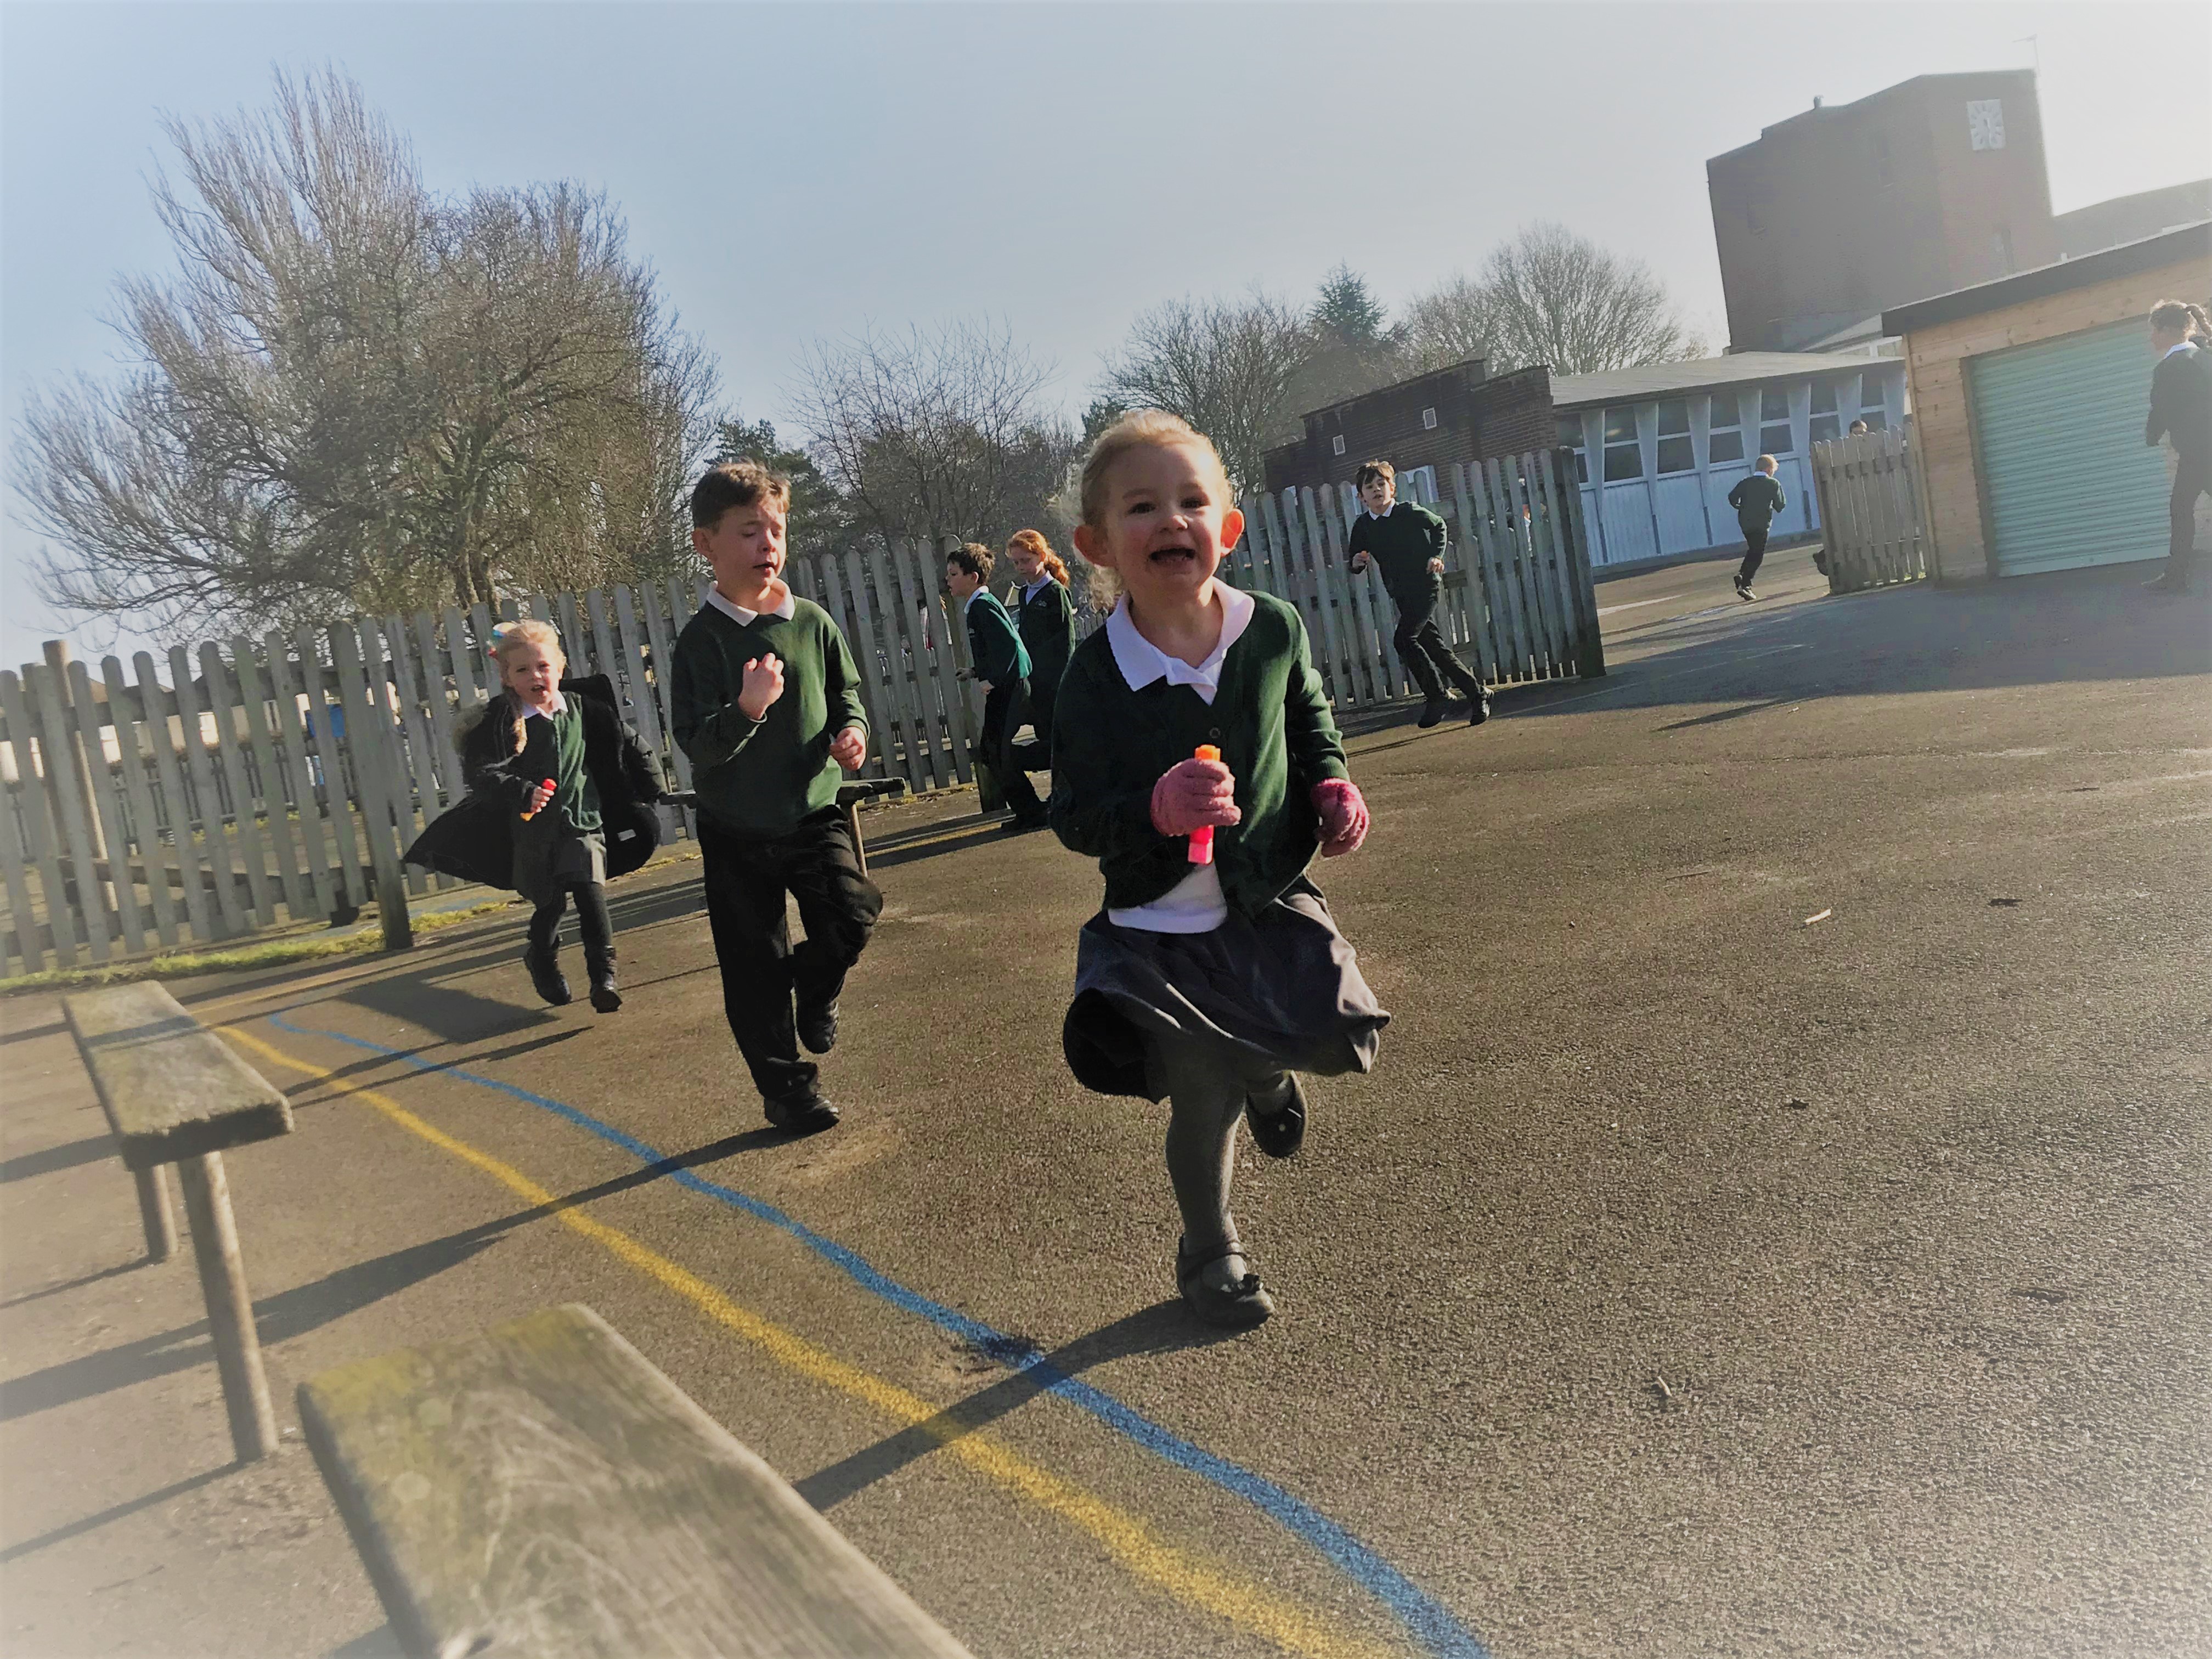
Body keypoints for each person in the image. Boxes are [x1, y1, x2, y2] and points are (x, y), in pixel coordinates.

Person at [1052, 409, 1388, 1329]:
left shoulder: (1269, 630)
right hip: (1157, 930)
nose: (1172, 519)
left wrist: (1332, 782)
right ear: (1098, 543)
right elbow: (1073, 815)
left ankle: (1270, 1069)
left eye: (1192, 501)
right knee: (1200, 1089)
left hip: (1264, 896)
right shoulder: (1092, 678)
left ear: (1228, 528)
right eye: (1142, 506)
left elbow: (1310, 718)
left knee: (1326, 1028)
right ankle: (1210, 1248)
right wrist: (1153, 810)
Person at [670, 461, 880, 1136]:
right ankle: (789, 1093)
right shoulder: (700, 643)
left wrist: (852, 733)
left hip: (814, 811)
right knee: (752, 966)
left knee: (852, 918)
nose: (768, 544)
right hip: (735, 830)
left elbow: (847, 692)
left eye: (777, 530)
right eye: (749, 531)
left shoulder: (811, 622)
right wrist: (748, 710)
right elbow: (699, 745)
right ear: (706, 544)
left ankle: (815, 992)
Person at [407, 619, 663, 1014]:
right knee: (551, 905)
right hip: (531, 835)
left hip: (584, 822)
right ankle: (541, 958)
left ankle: (604, 978)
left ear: (560, 668)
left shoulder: (586, 711)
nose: (535, 676)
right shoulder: (500, 721)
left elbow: (630, 747)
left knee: (592, 895)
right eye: (522, 670)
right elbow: (482, 772)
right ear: (507, 677)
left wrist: (651, 788)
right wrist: (522, 791)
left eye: (543, 667)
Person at [1344, 461, 1489, 727]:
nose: (1377, 490)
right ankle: (1477, 693)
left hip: (1426, 586)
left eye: (1381, 485)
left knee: (1404, 640)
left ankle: (1438, 696)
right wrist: (1357, 562)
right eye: (1370, 487)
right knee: (1435, 648)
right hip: (1401, 593)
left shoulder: (1408, 512)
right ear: (1361, 497)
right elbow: (1354, 560)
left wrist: (1436, 555)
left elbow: (1439, 526)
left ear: (1392, 489)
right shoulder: (1363, 526)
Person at [947, 543, 1047, 832]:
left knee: (993, 750)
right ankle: (1030, 809)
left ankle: (1033, 811)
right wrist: (977, 672)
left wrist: (994, 679)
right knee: (992, 751)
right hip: (1008, 684)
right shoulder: (979, 606)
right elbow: (997, 649)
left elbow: (1009, 646)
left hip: (1010, 688)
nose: (949, 581)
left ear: (973, 577)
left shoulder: (982, 606)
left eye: (954, 574)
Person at [2142, 297, 2212, 596]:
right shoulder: (2205, 356)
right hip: (2202, 451)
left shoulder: (2169, 368)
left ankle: (2175, 578)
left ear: (2168, 331)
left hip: (2198, 453)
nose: (2151, 338)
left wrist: (2151, 435)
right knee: (2180, 509)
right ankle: (2175, 576)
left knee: (2180, 510)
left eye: (2154, 331)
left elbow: (2161, 410)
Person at [1007, 528, 1076, 774]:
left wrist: (1060, 680)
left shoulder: (1056, 593)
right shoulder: (1025, 593)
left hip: (1054, 681)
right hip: (1034, 681)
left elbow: (1066, 642)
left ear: (1042, 557)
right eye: (1016, 562)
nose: (1021, 567)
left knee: (1060, 741)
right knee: (1045, 734)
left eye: (1026, 560)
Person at [1728, 455, 1786, 601]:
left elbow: (1732, 498)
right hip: (1762, 523)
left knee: (1753, 549)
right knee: (1758, 554)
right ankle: (1746, 584)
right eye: (1773, 470)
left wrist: (1740, 507)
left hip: (1745, 522)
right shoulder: (1773, 484)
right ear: (1768, 469)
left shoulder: (1745, 483)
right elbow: (1781, 505)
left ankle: (1742, 575)